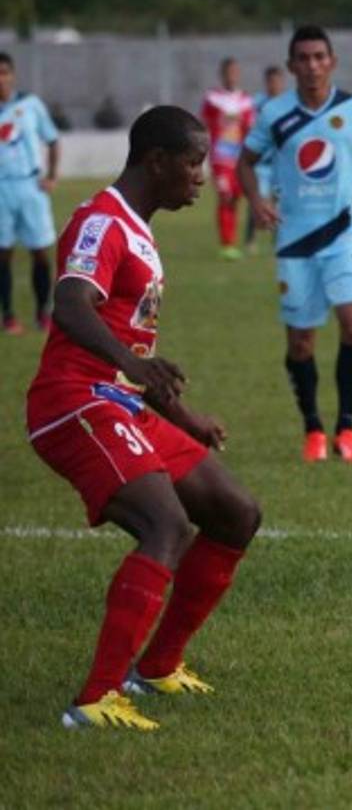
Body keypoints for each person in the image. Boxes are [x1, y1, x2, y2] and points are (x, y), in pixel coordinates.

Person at [26, 106, 262, 731]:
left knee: (236, 511)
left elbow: (136, 358)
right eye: (192, 164)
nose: (202, 177)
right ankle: (96, 699)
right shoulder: (100, 222)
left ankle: (158, 667)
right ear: (156, 162)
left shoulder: (136, 230)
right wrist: (133, 361)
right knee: (166, 524)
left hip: (118, 400)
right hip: (73, 402)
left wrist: (184, 416)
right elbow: (70, 307)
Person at [236, 25, 352, 464]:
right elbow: (245, 161)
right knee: (301, 343)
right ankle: (312, 428)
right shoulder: (276, 114)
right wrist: (256, 201)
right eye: (304, 58)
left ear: (331, 62)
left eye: (319, 57)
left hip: (343, 232)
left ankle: (347, 429)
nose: (312, 65)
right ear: (292, 65)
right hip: (294, 240)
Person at [0, 51, 60, 334]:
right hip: (1, 189)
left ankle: (42, 313)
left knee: (40, 251)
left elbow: (52, 138)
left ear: (12, 75)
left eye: (4, 72)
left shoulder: (30, 104)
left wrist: (51, 175)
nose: (1, 79)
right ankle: (9, 315)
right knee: (3, 253)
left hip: (30, 186)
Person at [200, 57, 254, 260]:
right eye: (229, 72)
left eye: (235, 71)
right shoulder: (212, 98)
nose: (232, 75)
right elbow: (203, 124)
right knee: (225, 196)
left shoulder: (245, 100)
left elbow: (249, 128)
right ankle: (227, 244)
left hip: (240, 159)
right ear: (222, 74)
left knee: (237, 197)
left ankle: (234, 242)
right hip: (221, 157)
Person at [244, 65, 288, 254]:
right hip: (261, 162)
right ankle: (250, 240)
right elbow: (247, 125)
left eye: (277, 81)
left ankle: (278, 240)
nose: (274, 85)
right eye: (270, 81)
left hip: (280, 162)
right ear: (266, 83)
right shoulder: (256, 104)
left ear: (282, 83)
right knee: (257, 199)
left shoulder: (289, 104)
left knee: (279, 201)